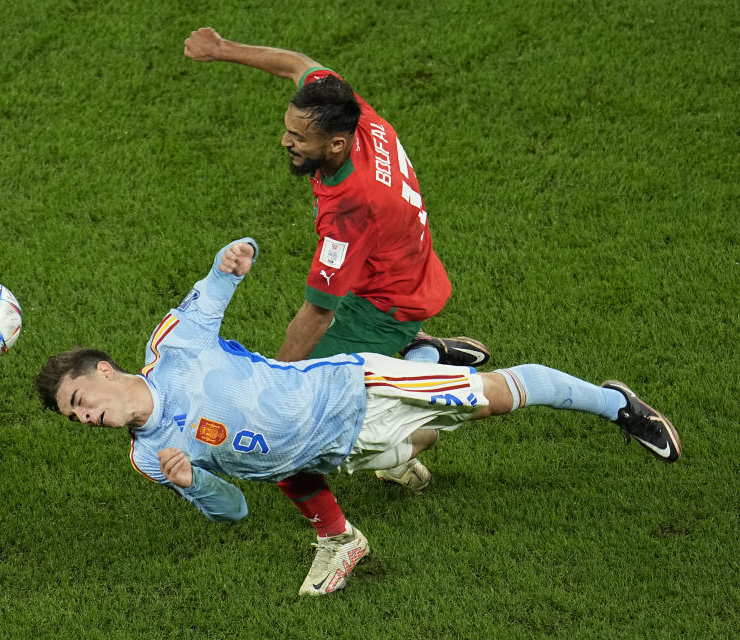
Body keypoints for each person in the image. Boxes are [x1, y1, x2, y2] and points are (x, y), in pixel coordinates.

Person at [35, 239, 682, 596]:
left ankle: (616, 404)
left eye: (78, 402)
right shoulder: (149, 457)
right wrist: (191, 484)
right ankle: (430, 352)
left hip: (352, 388)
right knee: (423, 441)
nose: (84, 418)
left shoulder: (170, 349)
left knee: (492, 400)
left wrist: (232, 260)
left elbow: (210, 293)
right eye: (74, 418)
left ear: (103, 373)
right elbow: (231, 513)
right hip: (333, 453)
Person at [182, 27, 491, 582]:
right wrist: (224, 49)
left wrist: (272, 381)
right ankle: (415, 359)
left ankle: (342, 537)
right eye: (288, 129)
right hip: (406, 271)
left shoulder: (349, 209)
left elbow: (318, 312)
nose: (286, 142)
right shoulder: (355, 113)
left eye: (299, 137)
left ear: (337, 145)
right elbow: (299, 64)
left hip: (382, 303)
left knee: (300, 433)